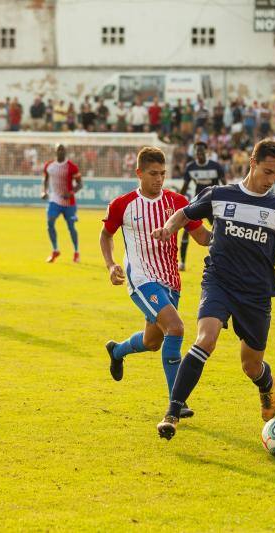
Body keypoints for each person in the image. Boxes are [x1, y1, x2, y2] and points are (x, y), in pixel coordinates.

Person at [151, 140, 275, 440]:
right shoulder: (219, 195)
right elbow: (185, 214)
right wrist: (169, 228)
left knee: (251, 365)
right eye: (268, 171)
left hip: (256, 293)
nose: (271, 180)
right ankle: (172, 413)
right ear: (252, 161)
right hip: (219, 281)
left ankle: (266, 385)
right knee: (206, 339)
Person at [100, 147, 212, 418]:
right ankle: (178, 401)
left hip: (170, 281)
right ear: (139, 173)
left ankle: (117, 351)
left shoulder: (178, 202)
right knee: (175, 328)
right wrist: (111, 264)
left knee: (153, 342)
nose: (159, 179)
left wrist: (229, 237)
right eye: (153, 174)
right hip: (140, 278)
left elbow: (201, 237)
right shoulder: (122, 204)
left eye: (163, 174)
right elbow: (106, 235)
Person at [177, 141, 225, 271]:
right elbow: (185, 186)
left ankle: (222, 261)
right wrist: (176, 201)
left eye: (201, 151)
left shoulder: (215, 166)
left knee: (220, 231)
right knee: (187, 230)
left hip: (214, 204)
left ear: (206, 152)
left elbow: (224, 185)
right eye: (197, 152)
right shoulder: (190, 167)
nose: (199, 154)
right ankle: (182, 262)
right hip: (198, 203)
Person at [42, 144, 82, 263]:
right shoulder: (49, 166)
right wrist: (44, 191)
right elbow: (45, 180)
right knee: (50, 221)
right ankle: (55, 250)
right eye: (58, 149)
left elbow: (80, 184)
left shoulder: (72, 167)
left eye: (62, 149)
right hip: (54, 200)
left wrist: (71, 193)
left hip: (69, 202)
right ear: (55, 151)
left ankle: (76, 252)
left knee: (71, 227)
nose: (60, 151)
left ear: (65, 152)